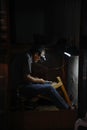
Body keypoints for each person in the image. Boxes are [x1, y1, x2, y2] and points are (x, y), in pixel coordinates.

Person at [10, 45, 72, 110]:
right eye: (40, 57)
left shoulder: (26, 55)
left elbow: (26, 77)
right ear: (36, 54)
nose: (39, 59)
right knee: (50, 88)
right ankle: (66, 109)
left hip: (23, 85)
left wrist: (40, 80)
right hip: (21, 88)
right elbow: (27, 77)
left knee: (48, 84)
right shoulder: (27, 57)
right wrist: (40, 81)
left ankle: (64, 105)